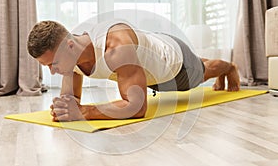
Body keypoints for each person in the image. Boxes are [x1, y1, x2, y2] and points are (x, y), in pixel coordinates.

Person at [27, 20, 240, 121]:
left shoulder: (116, 48)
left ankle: (230, 68)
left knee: (203, 70)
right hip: (148, 59)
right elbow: (71, 100)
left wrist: (86, 111)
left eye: (52, 64)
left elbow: (137, 108)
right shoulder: (69, 54)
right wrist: (64, 108)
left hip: (175, 63)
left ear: (69, 47)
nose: (52, 72)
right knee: (201, 64)